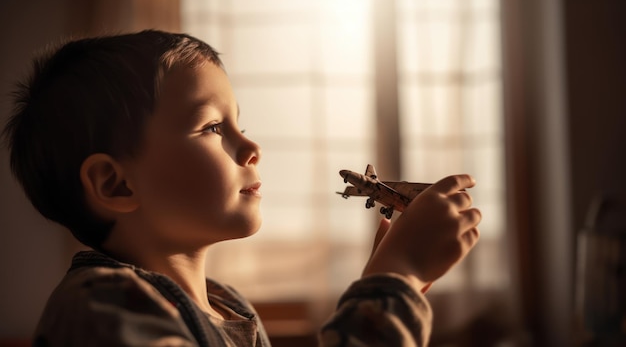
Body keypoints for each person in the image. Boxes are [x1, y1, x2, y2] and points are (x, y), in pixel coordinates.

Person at [2, 30, 481, 346]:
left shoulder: (229, 308)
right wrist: (394, 280)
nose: (251, 145)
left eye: (241, 124)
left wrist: (395, 282)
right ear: (116, 182)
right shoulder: (98, 310)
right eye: (212, 128)